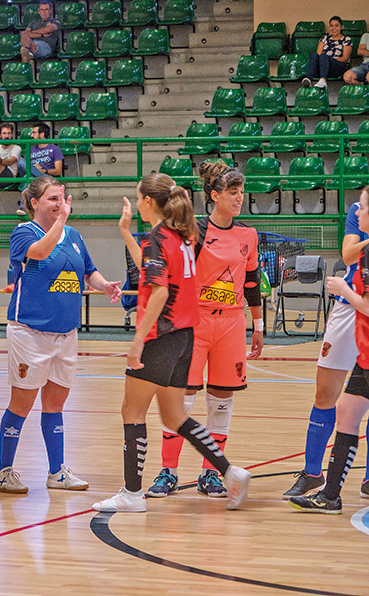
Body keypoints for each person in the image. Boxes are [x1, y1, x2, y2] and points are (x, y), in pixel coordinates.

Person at [93, 174, 251, 512]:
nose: (137, 204)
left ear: (149, 201)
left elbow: (160, 291)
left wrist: (138, 340)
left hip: (161, 336)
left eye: (139, 198)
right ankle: (230, 472)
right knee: (175, 416)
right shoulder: (182, 236)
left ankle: (132, 494)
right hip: (185, 337)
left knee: (132, 411)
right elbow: (151, 271)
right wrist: (125, 232)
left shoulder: (158, 238)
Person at [0, 176, 121, 494]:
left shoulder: (74, 235)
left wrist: (104, 285)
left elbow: (88, 270)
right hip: (29, 332)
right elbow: (38, 253)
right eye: (53, 198)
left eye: (62, 198)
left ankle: (57, 472)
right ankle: (4, 472)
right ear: (34, 203)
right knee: (22, 403)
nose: (59, 203)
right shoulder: (23, 232)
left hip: (65, 333)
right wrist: (61, 220)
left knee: (55, 404)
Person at [147, 161, 264, 499]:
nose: (239, 197)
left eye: (242, 191)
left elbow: (252, 282)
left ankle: (211, 473)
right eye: (233, 192)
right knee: (181, 400)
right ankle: (168, 471)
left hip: (232, 324)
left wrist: (258, 325)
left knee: (221, 401)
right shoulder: (195, 232)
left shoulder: (248, 235)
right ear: (215, 195)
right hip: (195, 322)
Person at [283, 195, 369, 499]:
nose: (361, 208)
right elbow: (348, 255)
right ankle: (312, 473)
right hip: (348, 307)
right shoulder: (359, 210)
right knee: (326, 393)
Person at [301, 15, 351, 89]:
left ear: (341, 27)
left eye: (336, 26)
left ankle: (323, 80)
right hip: (324, 65)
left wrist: (329, 60)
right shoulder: (324, 38)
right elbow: (318, 55)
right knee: (314, 55)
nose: (334, 28)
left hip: (338, 66)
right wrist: (325, 61)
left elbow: (345, 58)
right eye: (331, 26)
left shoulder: (346, 39)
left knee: (324, 56)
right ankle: (309, 79)